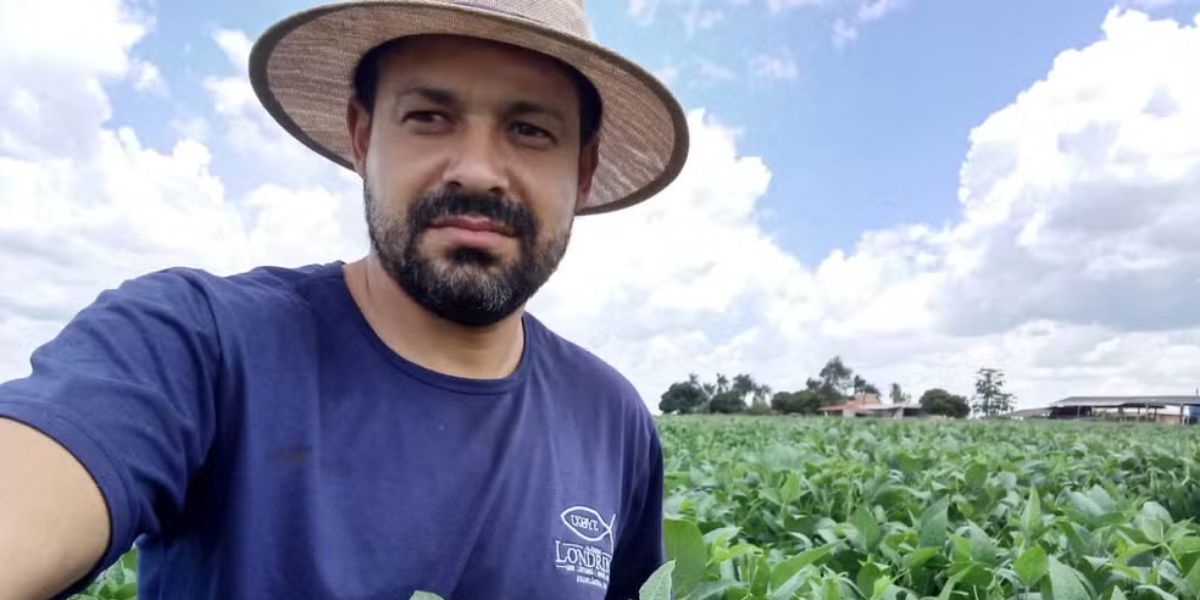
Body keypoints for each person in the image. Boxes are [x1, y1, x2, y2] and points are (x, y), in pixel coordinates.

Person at [0, 1, 689, 598]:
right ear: (363, 138)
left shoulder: (612, 419)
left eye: (530, 130)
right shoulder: (197, 345)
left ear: (584, 170)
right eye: (429, 116)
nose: (478, 169)